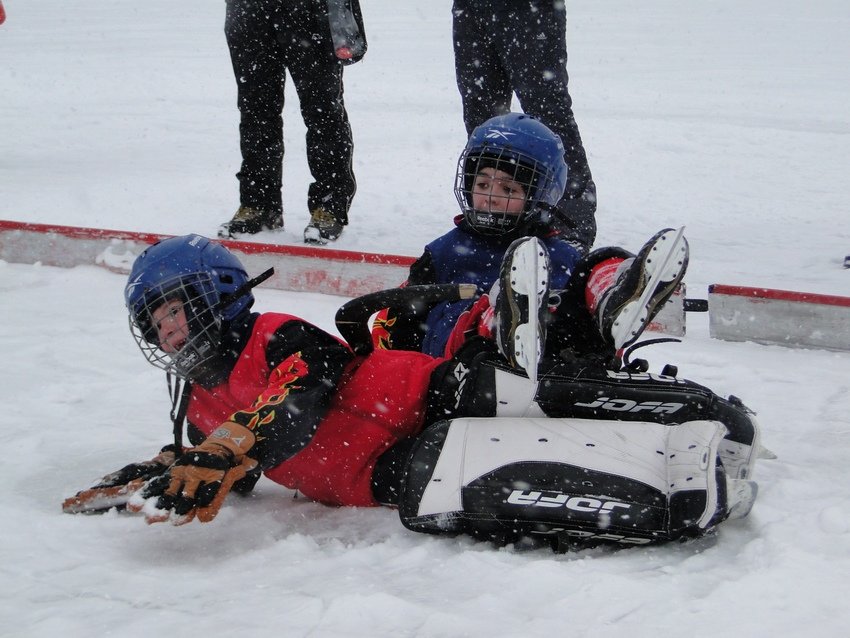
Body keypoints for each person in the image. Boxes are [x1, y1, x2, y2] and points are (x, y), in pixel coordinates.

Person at [64, 234, 761, 550]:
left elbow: (304, 390)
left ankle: (702, 410)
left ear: (216, 296)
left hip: (419, 393)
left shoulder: (272, 333)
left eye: (176, 307)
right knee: (489, 480)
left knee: (538, 396)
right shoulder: (199, 403)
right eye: (156, 319)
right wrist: (169, 473)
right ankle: (668, 485)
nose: (171, 328)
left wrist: (228, 446)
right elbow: (230, 474)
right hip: (376, 473)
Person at [374, 112, 669, 373]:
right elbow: (397, 323)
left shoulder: (559, 254)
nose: (491, 196)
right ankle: (503, 320)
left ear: (540, 196)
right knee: (482, 311)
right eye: (482, 184)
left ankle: (614, 296)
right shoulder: (443, 252)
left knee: (594, 267)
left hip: (552, 359)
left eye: (508, 188)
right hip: (464, 362)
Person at [452, 0, 597, 251]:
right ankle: (490, 218)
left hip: (528, 8)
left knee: (548, 118)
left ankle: (568, 230)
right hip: (471, 6)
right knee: (485, 123)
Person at [218, 0, 364, 245]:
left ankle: (330, 206)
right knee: (255, 109)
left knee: (322, 110)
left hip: (308, 8)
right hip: (248, 9)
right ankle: (259, 204)